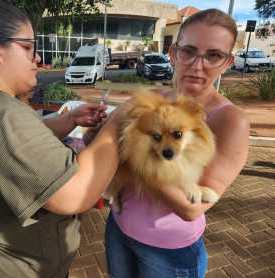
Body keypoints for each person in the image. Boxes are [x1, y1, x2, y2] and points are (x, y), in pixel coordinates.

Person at [0, 1, 125, 277]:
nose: (36, 58)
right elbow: (75, 194)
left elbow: (24, 136)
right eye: (27, 47)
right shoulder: (1, 115)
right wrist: (116, 127)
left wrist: (70, 119)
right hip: (14, 267)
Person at [86, 9, 250, 278]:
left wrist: (134, 154)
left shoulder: (231, 120)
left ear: (228, 62)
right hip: (118, 229)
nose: (197, 65)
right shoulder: (149, 98)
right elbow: (97, 141)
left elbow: (190, 207)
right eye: (189, 51)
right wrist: (93, 129)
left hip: (168, 251)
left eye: (213, 55)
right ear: (174, 53)